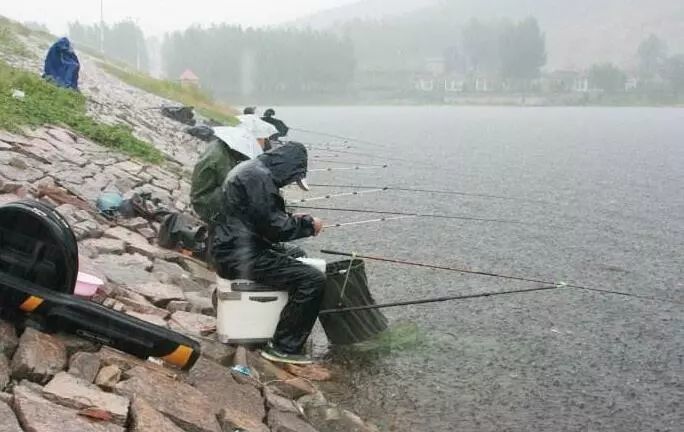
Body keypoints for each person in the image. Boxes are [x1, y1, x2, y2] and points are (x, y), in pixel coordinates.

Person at [212, 142, 324, 364]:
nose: (290, 182)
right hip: (239, 256)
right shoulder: (258, 179)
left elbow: (263, 217)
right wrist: (310, 226)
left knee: (297, 252)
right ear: (288, 166)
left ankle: (278, 322)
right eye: (293, 178)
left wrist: (292, 218)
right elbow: (276, 229)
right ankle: (284, 347)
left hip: (230, 247)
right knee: (313, 280)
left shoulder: (252, 169)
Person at [190, 128, 256, 224]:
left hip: (200, 193)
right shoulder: (221, 158)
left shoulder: (217, 145)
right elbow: (229, 183)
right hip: (203, 202)